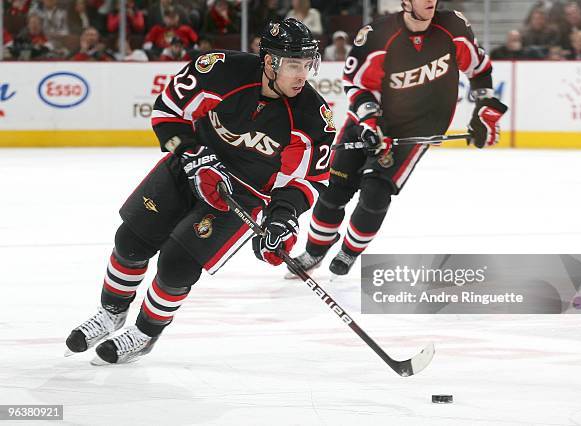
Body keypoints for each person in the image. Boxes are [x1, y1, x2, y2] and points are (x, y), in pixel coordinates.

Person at [65, 18, 335, 364]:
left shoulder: (314, 116)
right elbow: (166, 113)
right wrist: (192, 154)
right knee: (130, 243)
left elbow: (306, 180)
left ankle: (146, 331)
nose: (302, 75)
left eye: (307, 64)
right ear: (269, 61)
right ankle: (111, 312)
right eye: (293, 64)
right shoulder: (221, 71)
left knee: (177, 267)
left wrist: (282, 220)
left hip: (240, 198)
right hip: (187, 168)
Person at [288, 0, 508, 277]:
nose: (430, 1)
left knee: (376, 194)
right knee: (335, 189)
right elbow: (356, 83)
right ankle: (315, 251)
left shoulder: (453, 27)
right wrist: (369, 123)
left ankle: (349, 251)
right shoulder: (378, 35)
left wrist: (484, 107)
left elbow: (479, 69)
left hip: (416, 130)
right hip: (368, 120)